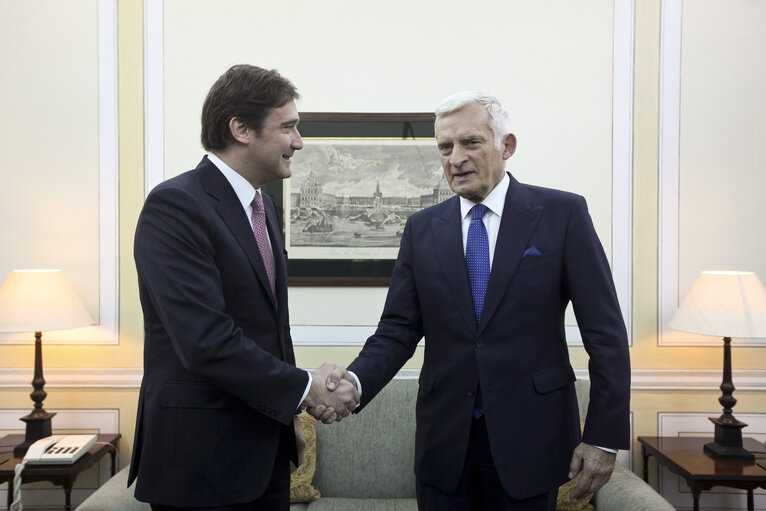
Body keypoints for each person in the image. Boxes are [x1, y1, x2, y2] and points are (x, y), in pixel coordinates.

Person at [337, 92, 631, 510]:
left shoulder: (562, 214)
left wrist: (602, 437)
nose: (455, 158)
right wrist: (354, 382)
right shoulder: (422, 228)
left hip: (532, 441)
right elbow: (397, 330)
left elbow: (605, 335)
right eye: (445, 147)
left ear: (506, 146)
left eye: (470, 143)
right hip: (445, 448)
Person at [128, 64, 359, 511]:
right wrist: (305, 386)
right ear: (240, 129)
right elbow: (205, 341)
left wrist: (298, 400)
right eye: (288, 127)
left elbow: (266, 332)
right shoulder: (175, 205)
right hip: (200, 465)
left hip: (265, 457)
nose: (299, 142)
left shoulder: (264, 208)